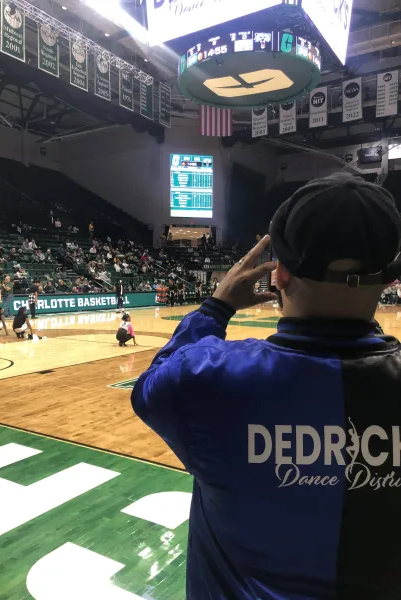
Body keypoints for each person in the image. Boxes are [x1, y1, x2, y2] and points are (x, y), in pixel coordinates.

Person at [132, 173, 401, 600]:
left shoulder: (207, 378)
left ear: (279, 276)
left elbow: (151, 387)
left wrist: (215, 308)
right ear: (390, 279)